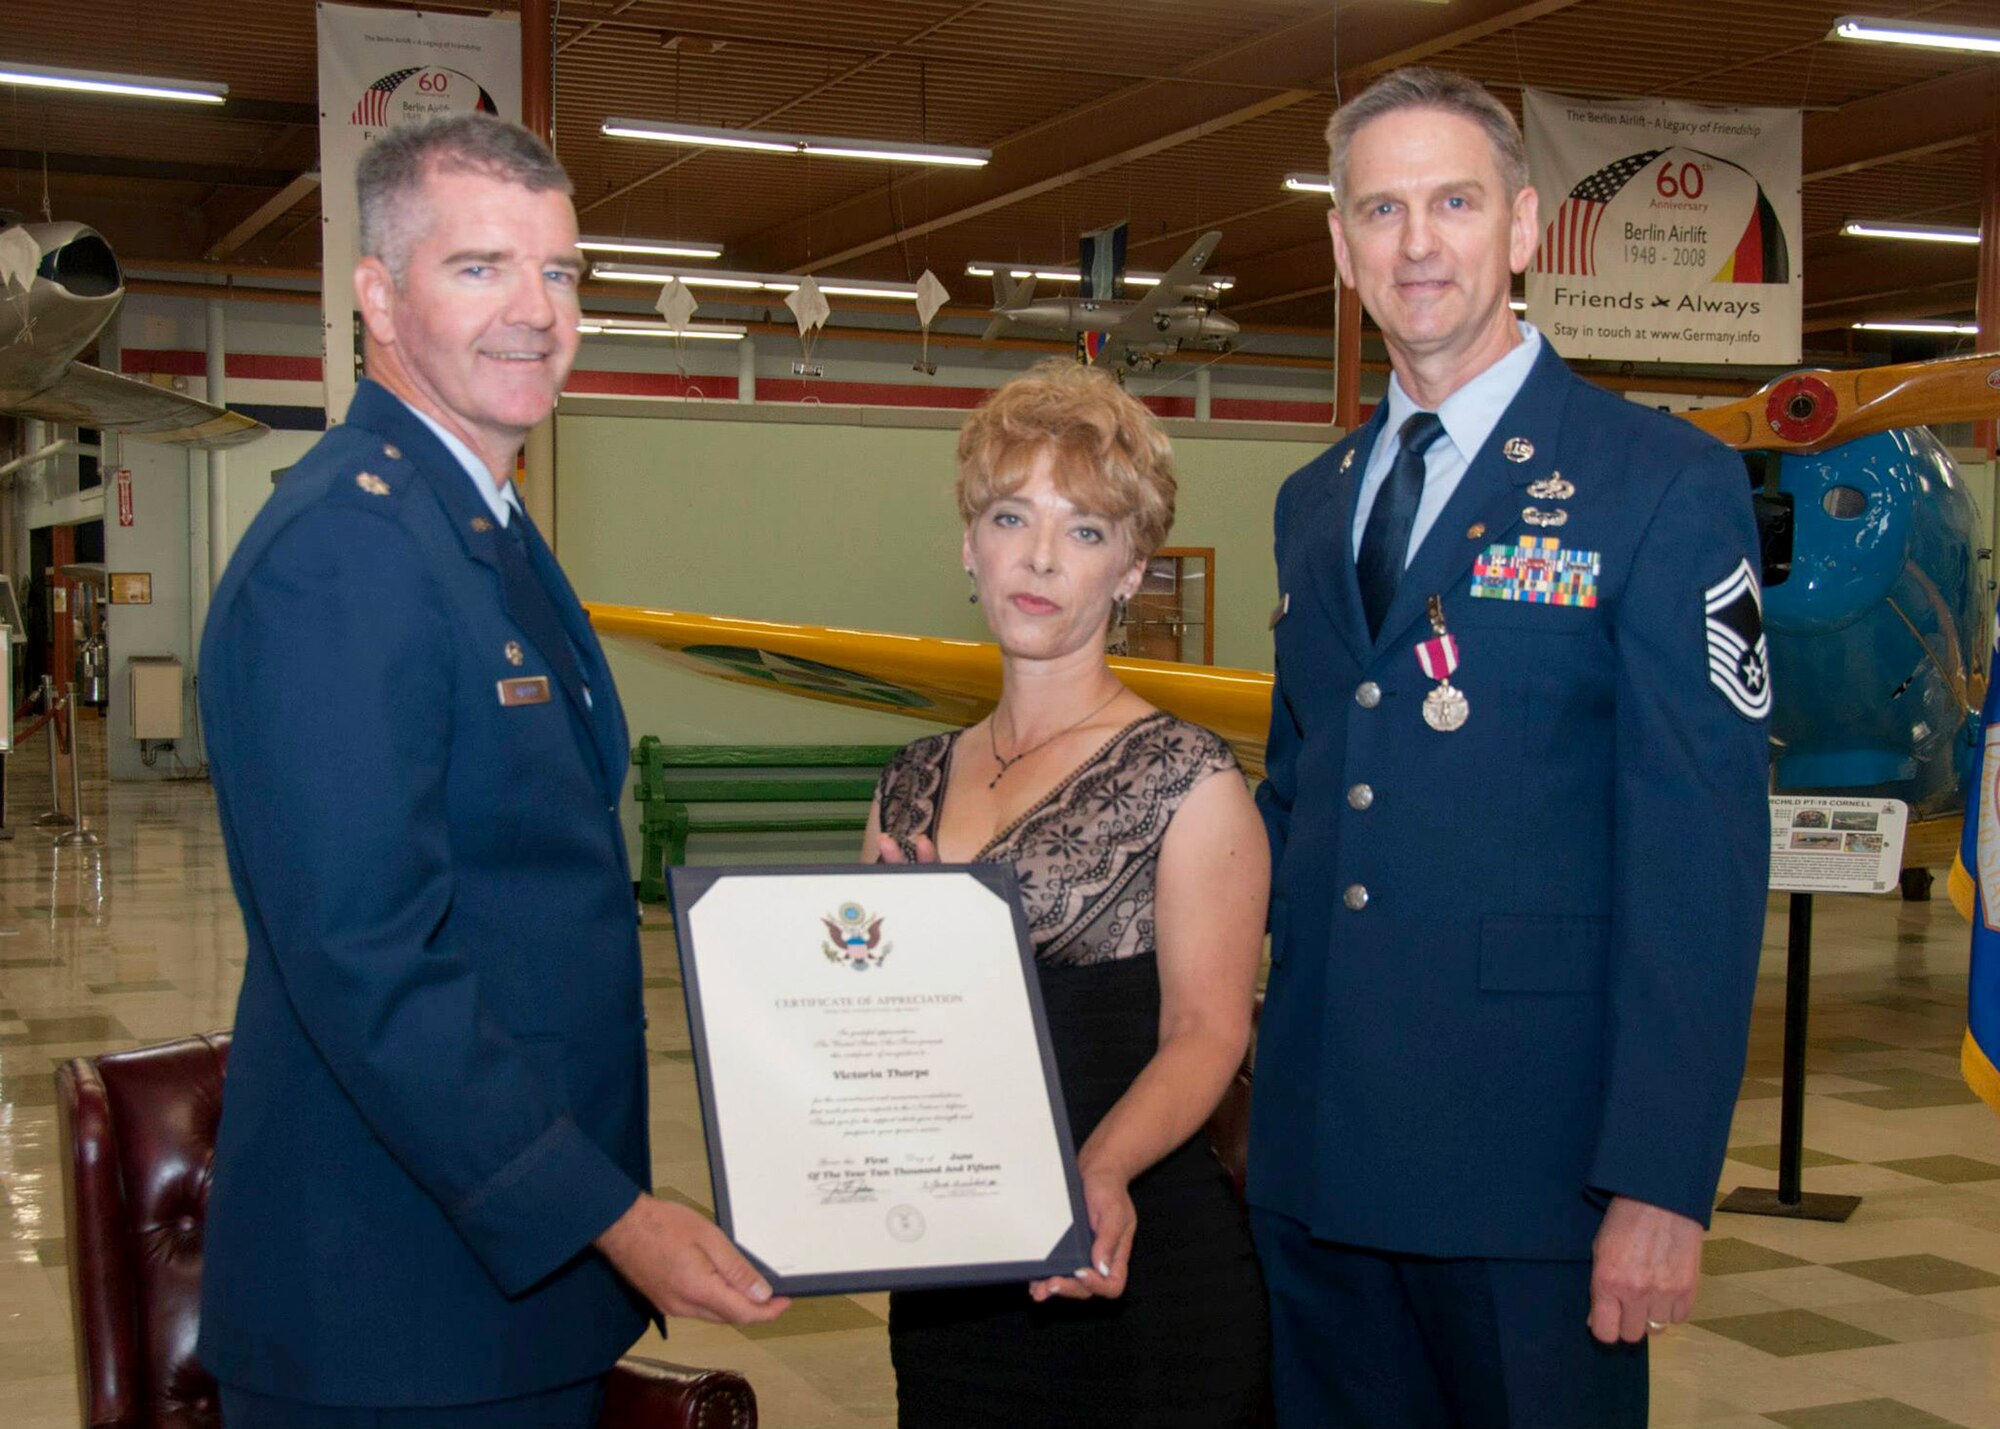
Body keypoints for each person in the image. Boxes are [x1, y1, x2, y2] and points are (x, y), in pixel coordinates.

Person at [197, 113, 785, 1428]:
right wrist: (608, 1214)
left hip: (488, 1293)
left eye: (559, 271)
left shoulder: (474, 524)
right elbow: (367, 957)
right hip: (394, 1313)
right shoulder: (345, 553)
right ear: (377, 296)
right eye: (480, 267)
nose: (535, 310)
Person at [1249, 68, 1770, 1427]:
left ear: (1525, 227)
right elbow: (1300, 800)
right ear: (1341, 246)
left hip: (1534, 1174)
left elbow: (1700, 862)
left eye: (1455, 203)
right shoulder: (1314, 502)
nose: (1417, 243)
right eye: (1382, 210)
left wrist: (1658, 1178)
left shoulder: (1658, 482)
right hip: (1317, 1154)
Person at [866, 360, 1270, 1428]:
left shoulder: (1191, 777)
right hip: (955, 1281)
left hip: (1132, 1261)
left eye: (1084, 530)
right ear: (969, 545)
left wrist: (1099, 1170)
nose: (1040, 556)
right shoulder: (908, 780)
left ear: (1131, 569)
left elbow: (1206, 1030)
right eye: (1011, 516)